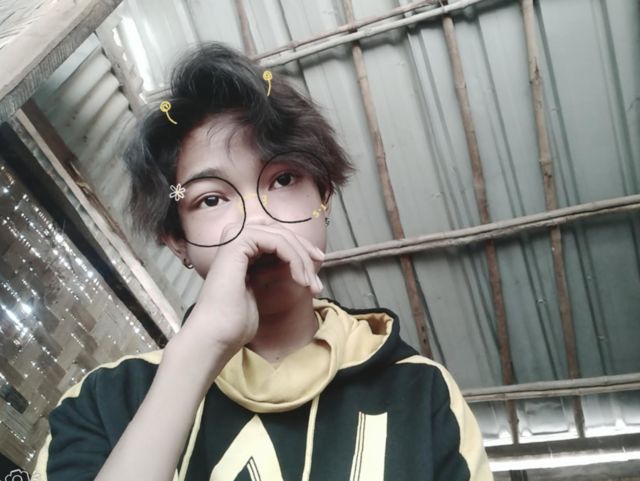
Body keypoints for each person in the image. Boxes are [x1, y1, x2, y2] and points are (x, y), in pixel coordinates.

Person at [33, 42, 493, 481]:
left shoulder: (423, 393)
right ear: (178, 242)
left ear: (324, 196)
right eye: (211, 199)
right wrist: (197, 354)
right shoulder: (105, 400)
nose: (256, 222)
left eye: (284, 179)